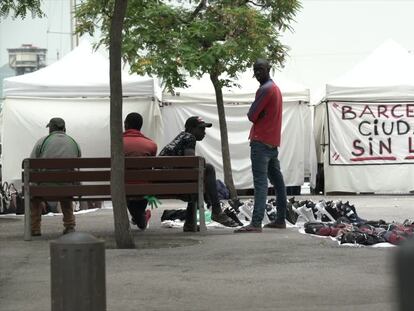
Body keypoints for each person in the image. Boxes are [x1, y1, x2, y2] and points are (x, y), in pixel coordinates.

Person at [235, 59, 287, 233]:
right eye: (255, 70)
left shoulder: (264, 90)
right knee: (278, 182)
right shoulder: (276, 89)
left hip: (260, 142)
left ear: (268, 69)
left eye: (260, 69)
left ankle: (256, 222)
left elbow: (251, 115)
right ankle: (280, 219)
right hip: (272, 143)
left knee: (260, 183)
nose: (257, 73)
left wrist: (259, 114)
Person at [159, 116, 238, 231]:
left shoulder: (181, 137)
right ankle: (216, 211)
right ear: (191, 129)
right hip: (171, 182)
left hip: (163, 181)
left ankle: (190, 223)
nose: (204, 132)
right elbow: (190, 162)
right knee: (208, 169)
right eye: (201, 129)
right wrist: (203, 163)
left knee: (197, 180)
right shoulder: (189, 137)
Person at [30, 117, 81, 236]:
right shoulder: (73, 142)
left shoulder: (42, 141)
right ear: (64, 128)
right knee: (66, 190)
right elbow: (77, 166)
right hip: (67, 187)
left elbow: (32, 165)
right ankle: (69, 225)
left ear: (51, 129)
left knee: (34, 194)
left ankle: (35, 228)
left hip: (44, 187)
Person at [123, 112, 157, 230]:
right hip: (145, 188)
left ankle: (140, 217)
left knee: (140, 222)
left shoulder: (117, 143)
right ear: (140, 126)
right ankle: (142, 215)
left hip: (123, 186)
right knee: (140, 222)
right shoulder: (151, 145)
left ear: (126, 125)